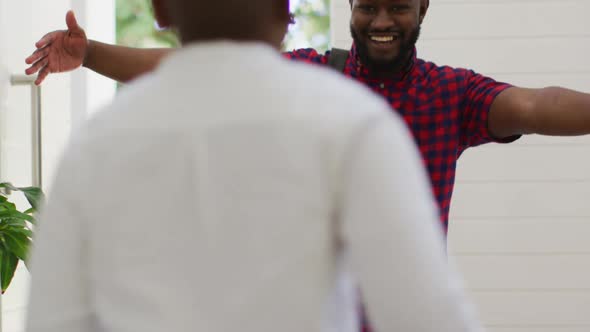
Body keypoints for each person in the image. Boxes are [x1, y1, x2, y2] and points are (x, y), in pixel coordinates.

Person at [25, 1, 483, 332]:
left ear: (159, 10)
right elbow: (424, 315)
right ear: (286, 14)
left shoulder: (95, 146)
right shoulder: (356, 124)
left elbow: (54, 320)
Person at [25, 0, 590, 234]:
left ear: (423, 10)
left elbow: (537, 106)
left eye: (398, 6)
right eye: (369, 5)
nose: (382, 20)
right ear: (351, 8)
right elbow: (190, 68)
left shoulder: (452, 94)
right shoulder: (308, 72)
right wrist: (92, 51)